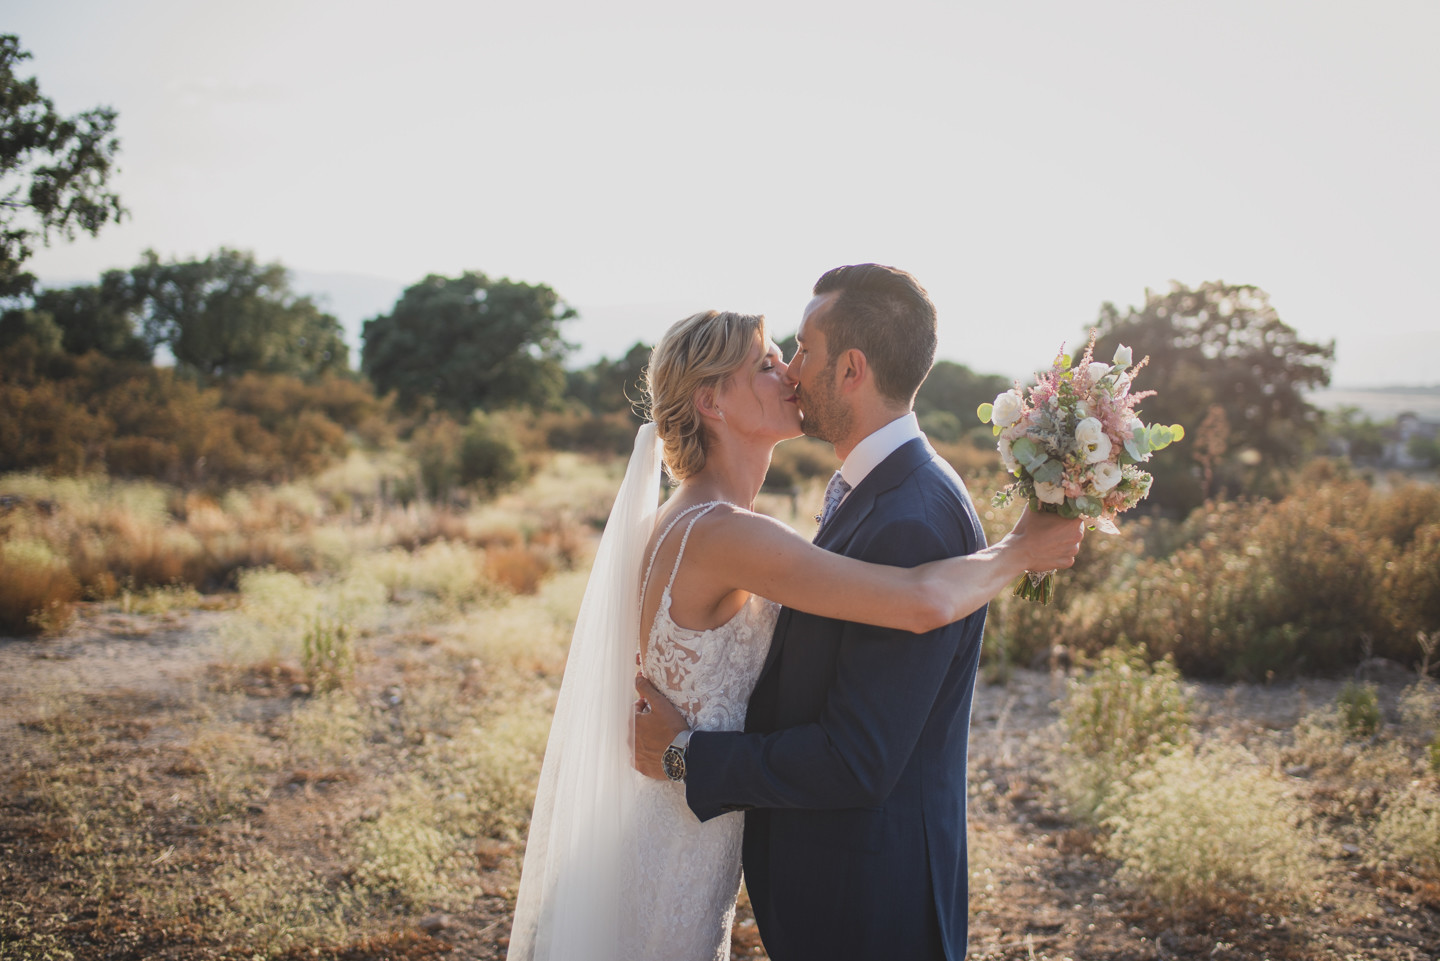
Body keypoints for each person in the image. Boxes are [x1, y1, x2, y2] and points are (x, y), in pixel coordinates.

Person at [509, 296, 1083, 961]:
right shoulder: (726, 532)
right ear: (711, 403)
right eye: (768, 363)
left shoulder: (695, 518)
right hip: (676, 852)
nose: (789, 375)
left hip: (681, 840)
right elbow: (920, 599)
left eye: (792, 355)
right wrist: (1018, 551)